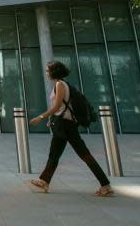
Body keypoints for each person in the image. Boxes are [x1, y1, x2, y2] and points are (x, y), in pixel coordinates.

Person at [28, 61, 112, 197]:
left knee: (76, 154)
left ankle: (105, 185)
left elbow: (56, 106)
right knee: (61, 154)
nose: (46, 73)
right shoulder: (62, 84)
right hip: (64, 124)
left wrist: (41, 117)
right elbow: (62, 108)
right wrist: (52, 120)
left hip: (65, 126)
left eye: (48, 70)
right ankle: (44, 180)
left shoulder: (60, 84)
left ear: (54, 71)